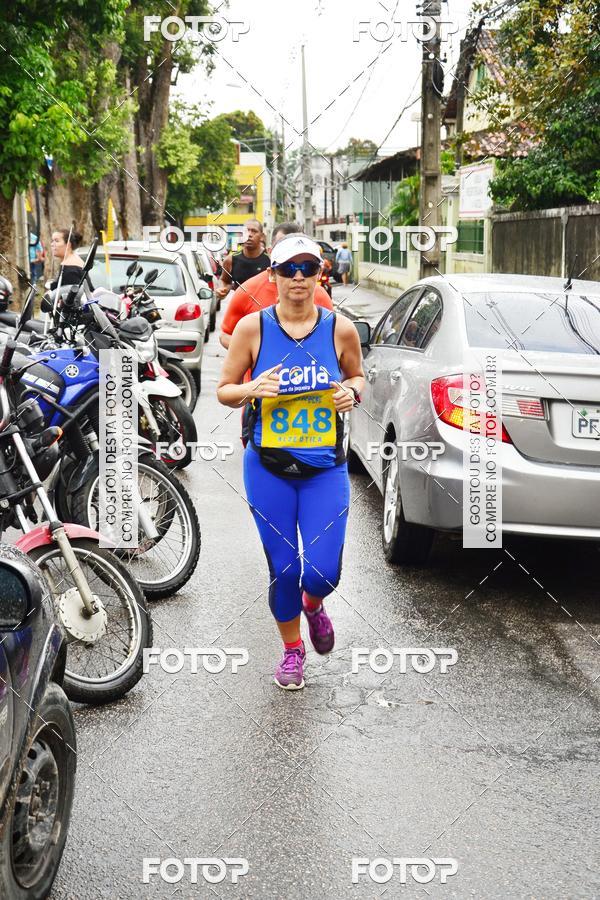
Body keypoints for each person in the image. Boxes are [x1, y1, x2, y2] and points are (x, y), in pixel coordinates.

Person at [217, 234, 365, 691]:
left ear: (320, 272)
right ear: (273, 274)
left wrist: (351, 392)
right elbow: (224, 389)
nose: (298, 277)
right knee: (283, 568)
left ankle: (315, 604)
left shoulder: (340, 328)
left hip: (325, 468)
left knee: (324, 570)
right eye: (288, 269)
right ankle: (292, 651)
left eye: (307, 268)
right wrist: (251, 389)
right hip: (268, 468)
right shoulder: (252, 329)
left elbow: (358, 374)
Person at [219, 222, 333, 351]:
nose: (298, 276)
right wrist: (255, 352)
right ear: (270, 252)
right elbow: (225, 335)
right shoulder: (247, 291)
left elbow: (331, 342)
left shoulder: (320, 296)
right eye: (284, 247)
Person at [216, 219, 270, 302]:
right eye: (246, 231)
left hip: (263, 310)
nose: (249, 235)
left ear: (262, 236)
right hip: (240, 309)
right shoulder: (230, 260)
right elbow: (225, 280)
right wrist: (222, 289)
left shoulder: (270, 260)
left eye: (254, 231)